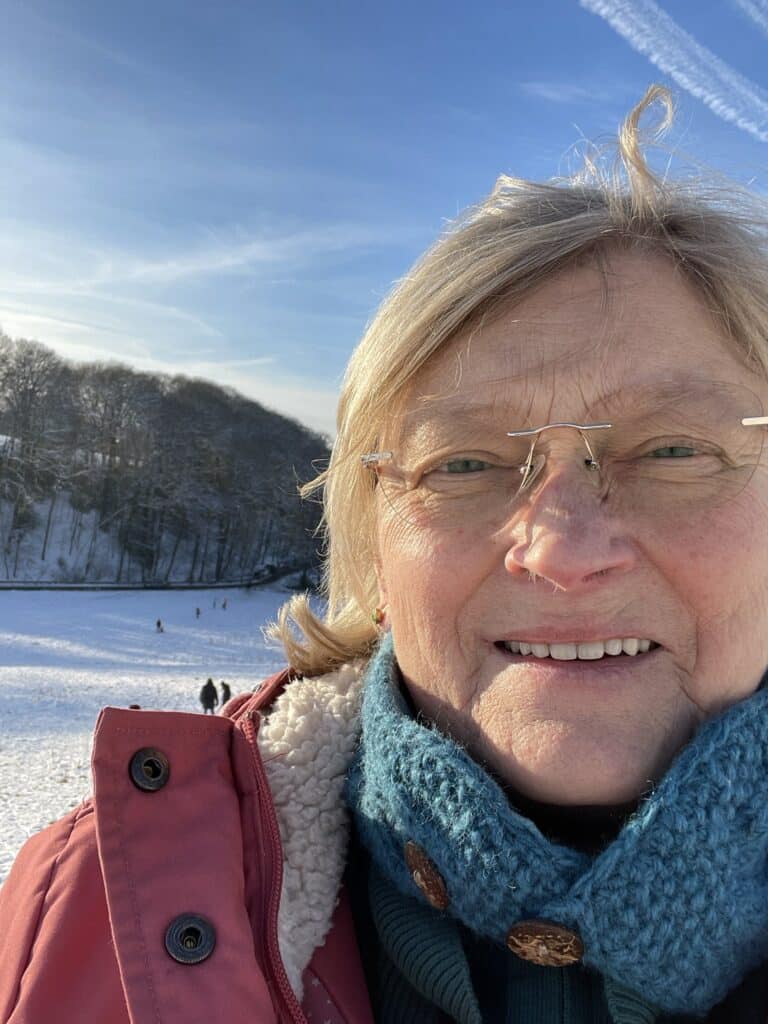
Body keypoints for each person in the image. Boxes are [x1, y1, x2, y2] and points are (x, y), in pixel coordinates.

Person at [3, 85, 768, 1023]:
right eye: (466, 462)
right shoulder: (86, 909)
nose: (565, 549)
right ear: (378, 550)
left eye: (675, 449)